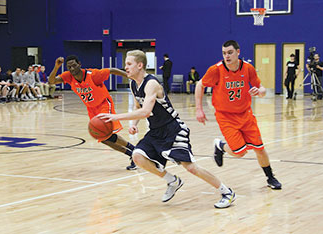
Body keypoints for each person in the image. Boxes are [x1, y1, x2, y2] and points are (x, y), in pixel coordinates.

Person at [99, 50, 236, 208]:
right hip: (156, 131)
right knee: (137, 156)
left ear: (140, 65)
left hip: (173, 129)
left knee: (190, 167)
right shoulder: (132, 84)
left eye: (129, 64)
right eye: (126, 64)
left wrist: (115, 117)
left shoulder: (151, 84)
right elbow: (138, 106)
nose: (125, 67)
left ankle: (227, 192)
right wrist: (133, 125)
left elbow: (145, 111)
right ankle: (172, 180)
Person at [195, 40, 282, 190]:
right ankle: (221, 146)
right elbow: (199, 84)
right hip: (225, 116)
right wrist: (198, 109)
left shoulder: (248, 68)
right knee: (240, 153)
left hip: (245, 114)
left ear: (238, 52)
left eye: (230, 52)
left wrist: (259, 92)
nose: (226, 56)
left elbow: (261, 89)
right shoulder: (216, 70)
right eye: (224, 53)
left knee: (259, 148)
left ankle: (270, 177)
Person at [48, 55, 137, 170]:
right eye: (69, 67)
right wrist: (56, 66)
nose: (72, 69)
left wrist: (130, 77)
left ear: (79, 64)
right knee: (103, 138)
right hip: (92, 109)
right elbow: (51, 81)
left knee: (108, 134)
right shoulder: (68, 76)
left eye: (74, 65)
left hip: (104, 104)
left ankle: (135, 151)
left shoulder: (93, 75)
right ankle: (132, 153)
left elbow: (112, 70)